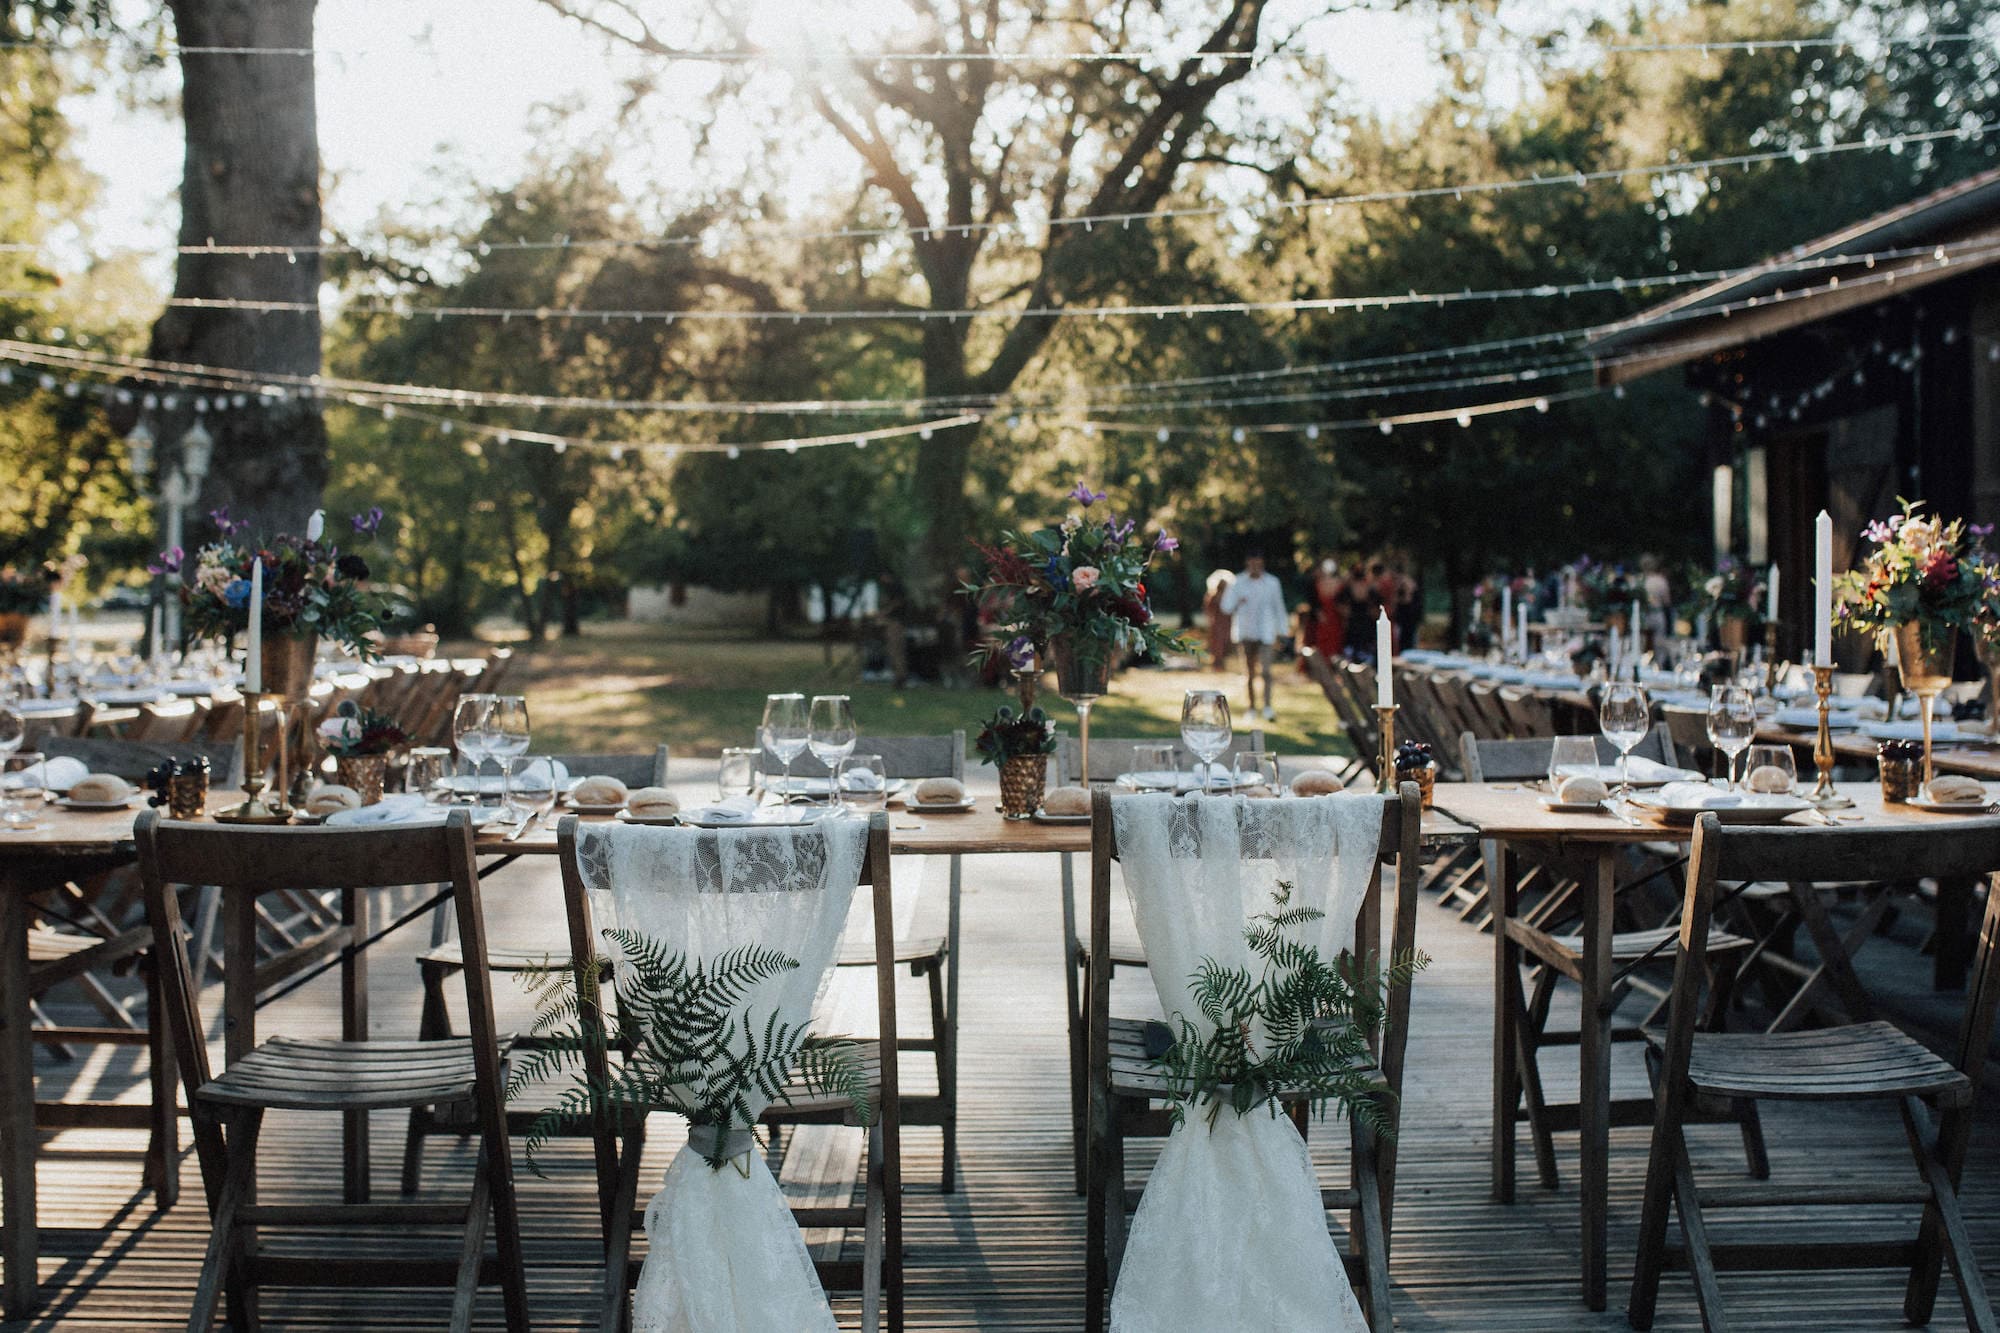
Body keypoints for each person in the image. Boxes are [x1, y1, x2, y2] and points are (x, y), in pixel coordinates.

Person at [1218, 551, 1287, 720]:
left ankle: (1268, 707)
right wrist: (1237, 602)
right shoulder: (1237, 582)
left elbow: (1279, 607)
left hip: (1266, 632)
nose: (1255, 567)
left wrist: (1283, 632)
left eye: (1258, 564)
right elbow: (1225, 607)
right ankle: (1251, 707)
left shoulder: (1272, 583)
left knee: (1266, 671)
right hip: (1246, 633)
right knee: (1249, 672)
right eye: (1252, 564)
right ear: (1247, 563)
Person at [1202, 568, 1235, 666]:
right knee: (1217, 643)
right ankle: (1217, 662)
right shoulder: (1212, 595)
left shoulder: (1229, 596)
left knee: (1226, 643)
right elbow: (1208, 608)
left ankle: (1222, 661)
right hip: (1216, 622)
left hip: (1227, 622)